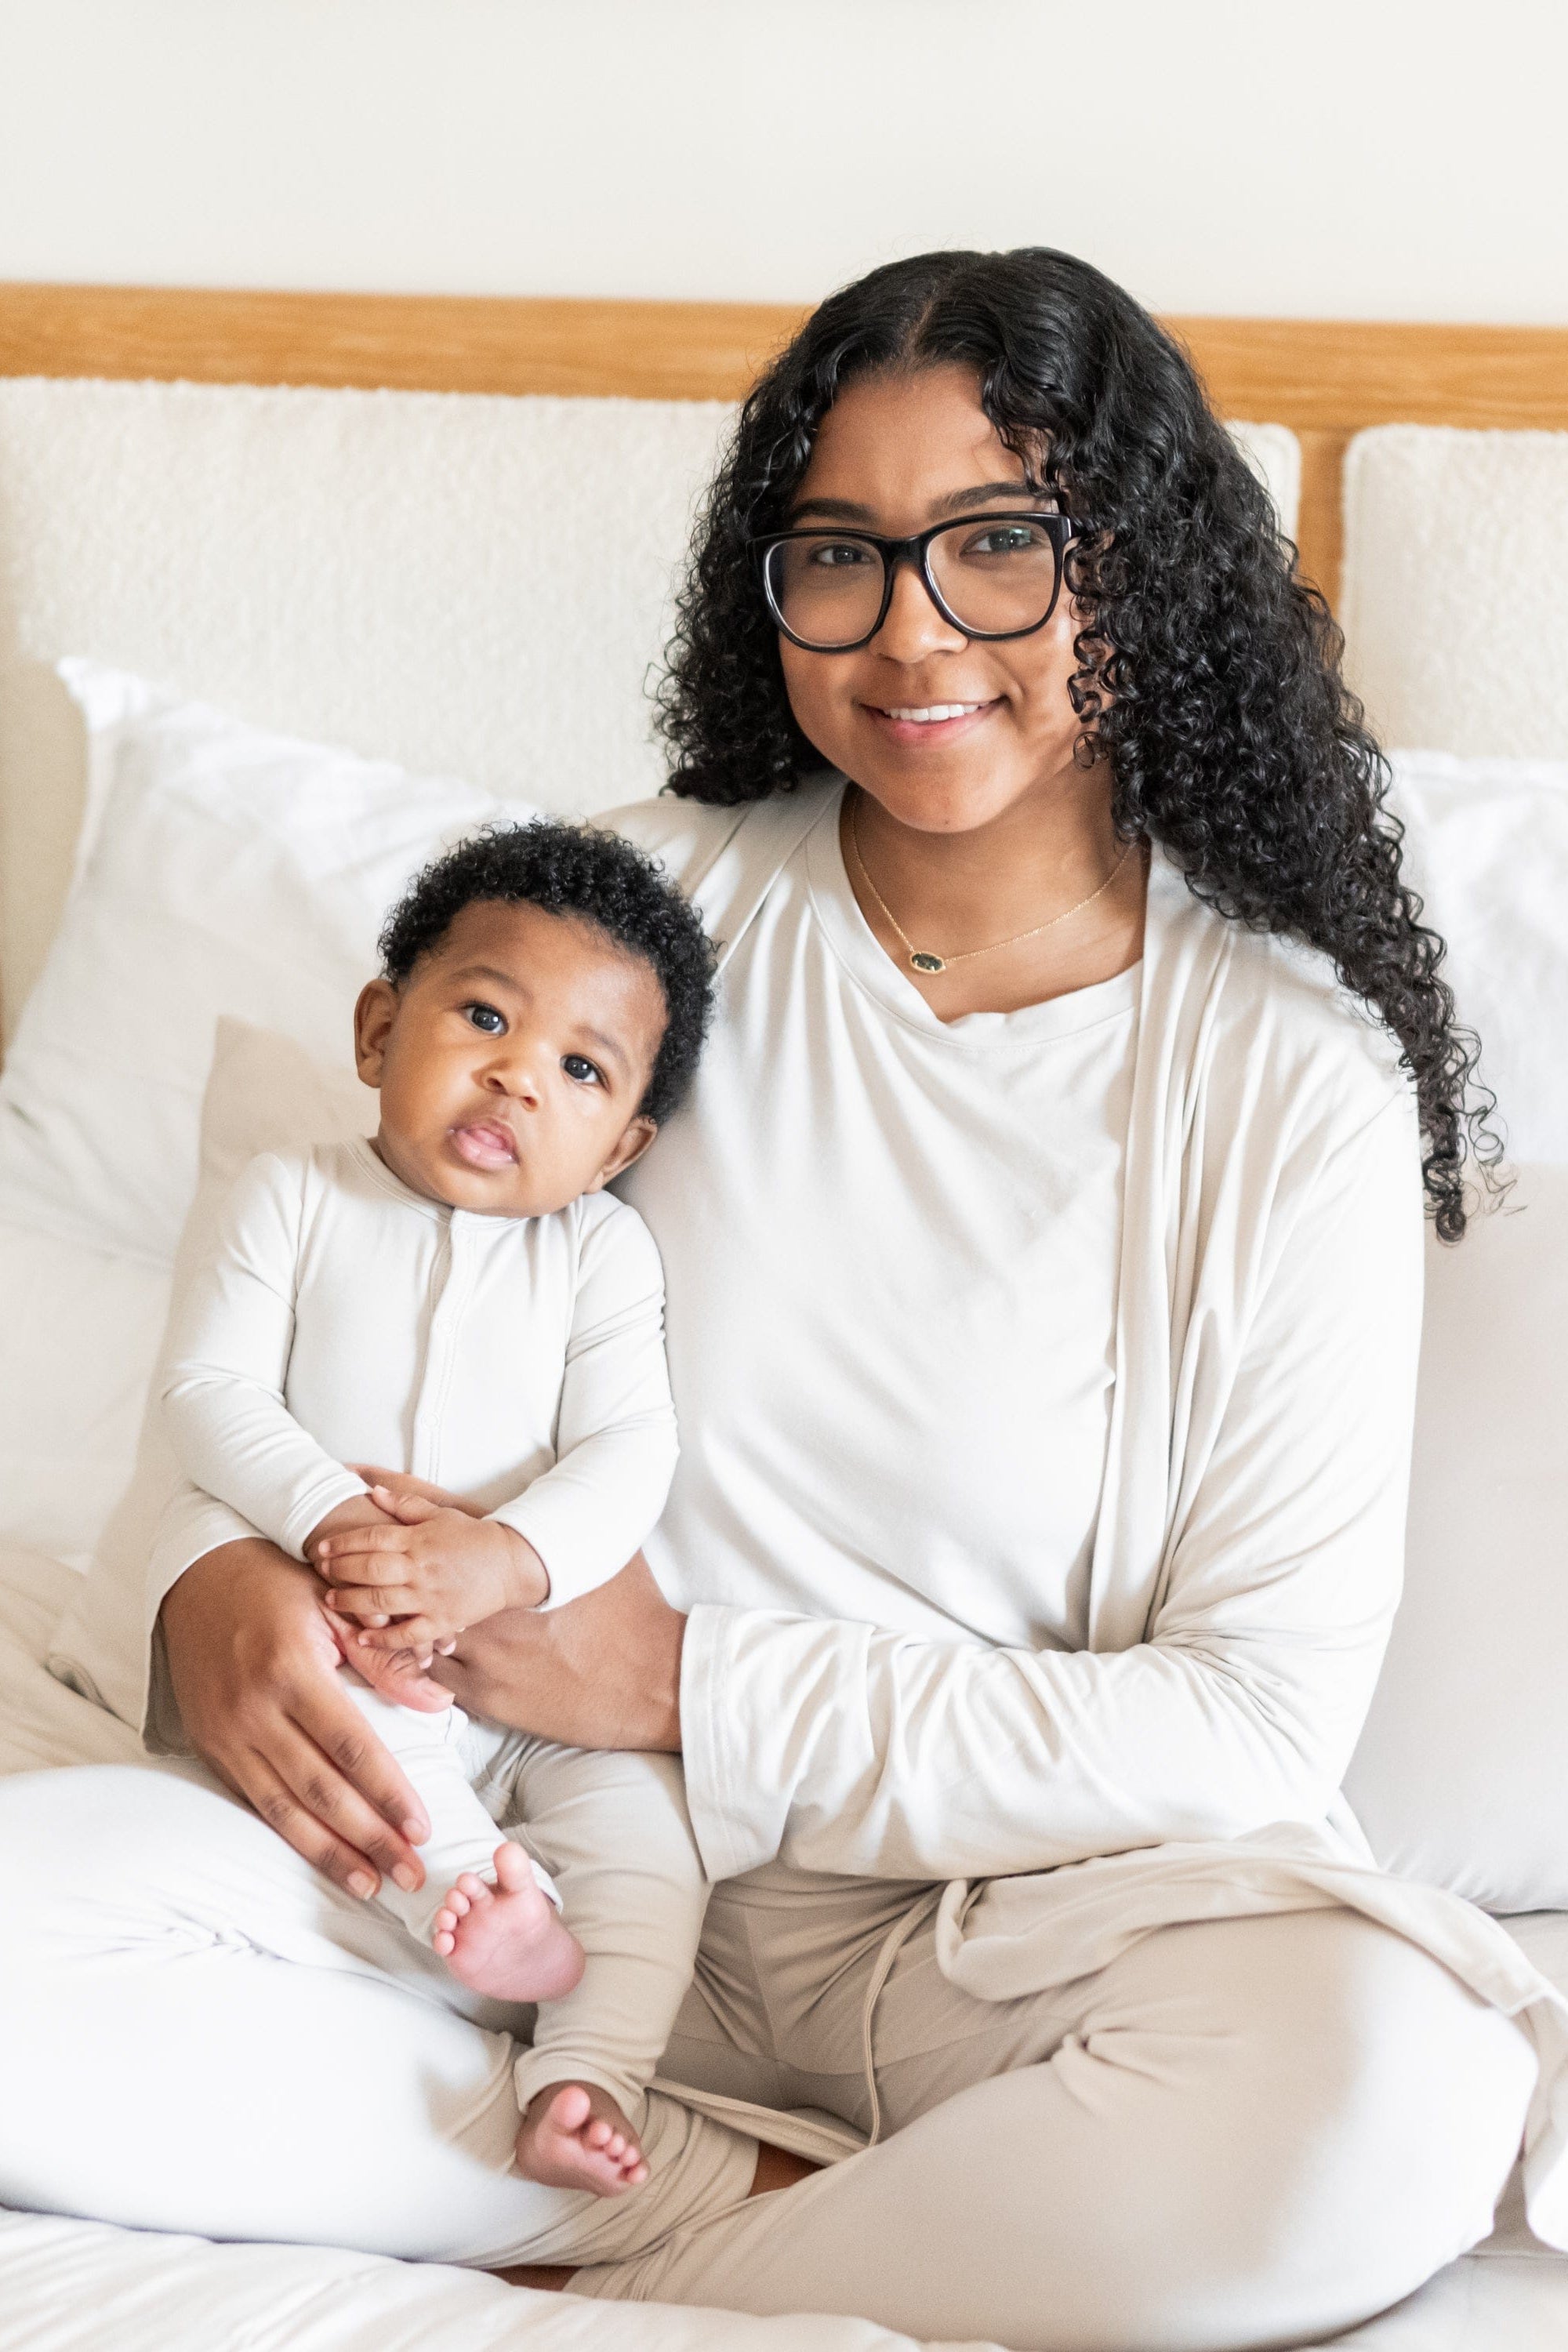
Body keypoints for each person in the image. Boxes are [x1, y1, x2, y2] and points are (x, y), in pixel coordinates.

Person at [1, 247, 1562, 2348]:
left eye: (999, 545)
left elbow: (1248, 1721)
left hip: (1014, 1940)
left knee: (1396, 2091)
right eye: (843, 556)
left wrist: (678, 1685)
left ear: (1142, 573)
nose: (914, 633)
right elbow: (309, 1334)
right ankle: (681, 2168)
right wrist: (216, 1586)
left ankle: (647, 2230)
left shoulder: (1288, 1077)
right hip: (512, 1860)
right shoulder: (625, 935)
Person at [155, 817, 718, 2197]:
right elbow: (207, 1392)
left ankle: (586, 2075)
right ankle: (465, 1891)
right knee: (361, 1738)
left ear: (622, 1142)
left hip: (535, 1680)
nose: (520, 1077)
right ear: (377, 1028)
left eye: (579, 1071)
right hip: (352, 1639)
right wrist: (325, 1520)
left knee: (658, 1848)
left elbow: (628, 1454)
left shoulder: (602, 1256)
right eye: (484, 1017)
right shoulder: (294, 1195)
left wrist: (505, 1562)